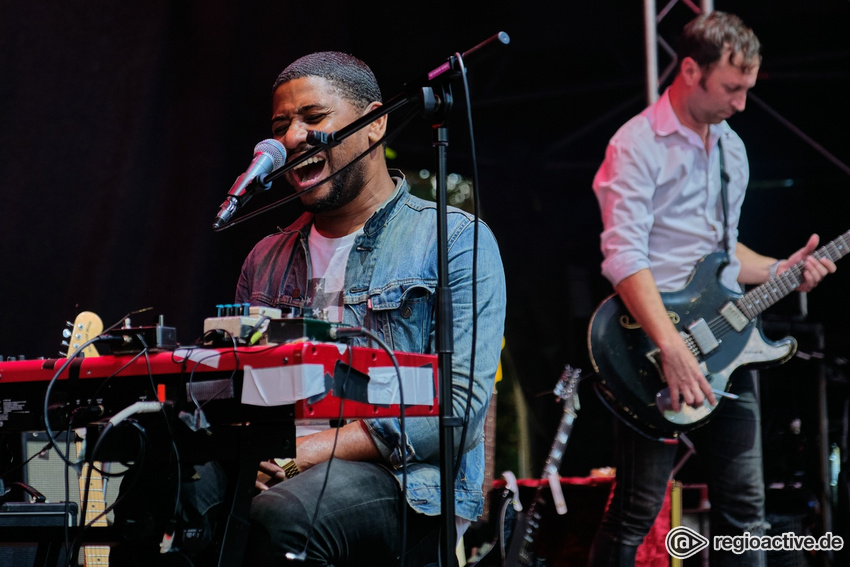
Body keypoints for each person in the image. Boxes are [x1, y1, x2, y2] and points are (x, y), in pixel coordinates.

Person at [235, 52, 506, 566]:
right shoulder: (264, 258)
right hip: (280, 466)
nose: (293, 138)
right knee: (167, 496)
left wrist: (300, 456)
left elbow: (459, 410)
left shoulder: (454, 241)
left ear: (374, 123)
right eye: (282, 125)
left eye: (313, 119)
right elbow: (241, 392)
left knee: (283, 515)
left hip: (407, 483)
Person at [587, 11, 836, 566]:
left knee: (745, 512)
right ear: (692, 70)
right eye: (732, 88)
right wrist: (671, 349)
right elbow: (624, 256)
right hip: (651, 349)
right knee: (636, 510)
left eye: (748, 89)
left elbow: (725, 257)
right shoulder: (636, 145)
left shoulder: (733, 150)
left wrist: (782, 270)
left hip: (727, 346)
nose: (742, 104)